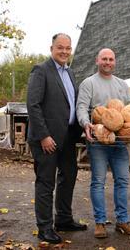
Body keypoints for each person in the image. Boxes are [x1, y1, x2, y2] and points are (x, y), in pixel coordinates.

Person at [26, 33, 86, 245]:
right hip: (47, 139)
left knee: (68, 177)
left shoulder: (70, 73)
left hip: (68, 137)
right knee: (45, 182)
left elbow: (72, 103)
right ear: (51, 48)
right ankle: (44, 228)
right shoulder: (41, 70)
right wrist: (44, 136)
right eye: (60, 47)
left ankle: (64, 219)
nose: (64, 51)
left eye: (68, 48)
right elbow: (32, 105)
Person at [76, 48, 130, 239]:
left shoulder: (122, 84)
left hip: (119, 141)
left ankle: (122, 221)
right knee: (98, 181)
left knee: (122, 180)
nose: (107, 62)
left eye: (111, 59)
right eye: (104, 59)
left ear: (115, 62)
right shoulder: (88, 83)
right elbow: (81, 107)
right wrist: (85, 122)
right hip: (98, 140)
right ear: (97, 60)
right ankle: (100, 222)